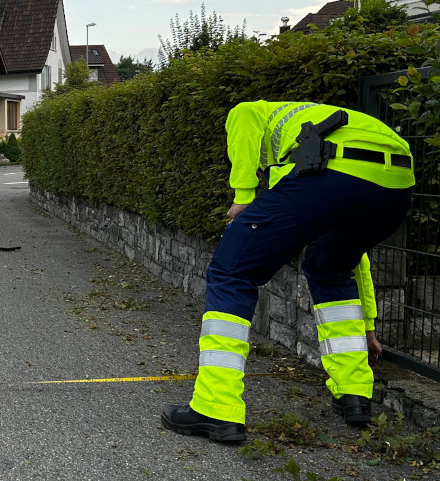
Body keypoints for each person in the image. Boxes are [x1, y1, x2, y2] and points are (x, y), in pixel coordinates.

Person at [161, 100, 415, 442]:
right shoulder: (308, 136)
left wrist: (244, 195)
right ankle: (355, 393)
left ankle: (214, 407)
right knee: (332, 267)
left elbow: (243, 114)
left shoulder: (266, 119)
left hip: (334, 167)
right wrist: (367, 328)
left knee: (231, 271)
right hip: (396, 184)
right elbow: (357, 262)